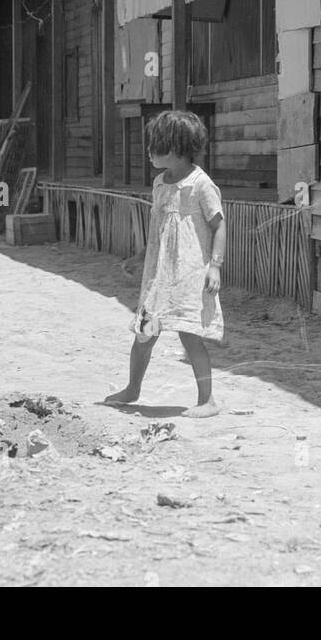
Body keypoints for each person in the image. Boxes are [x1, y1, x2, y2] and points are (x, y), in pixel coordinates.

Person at [105, 110, 225, 417]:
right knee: (145, 332)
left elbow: (219, 225)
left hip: (188, 274)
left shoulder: (201, 184)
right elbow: (160, 229)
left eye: (154, 145)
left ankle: (207, 401)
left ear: (174, 149)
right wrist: (141, 255)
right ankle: (132, 389)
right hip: (159, 275)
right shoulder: (160, 182)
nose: (148, 151)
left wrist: (215, 265)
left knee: (189, 335)